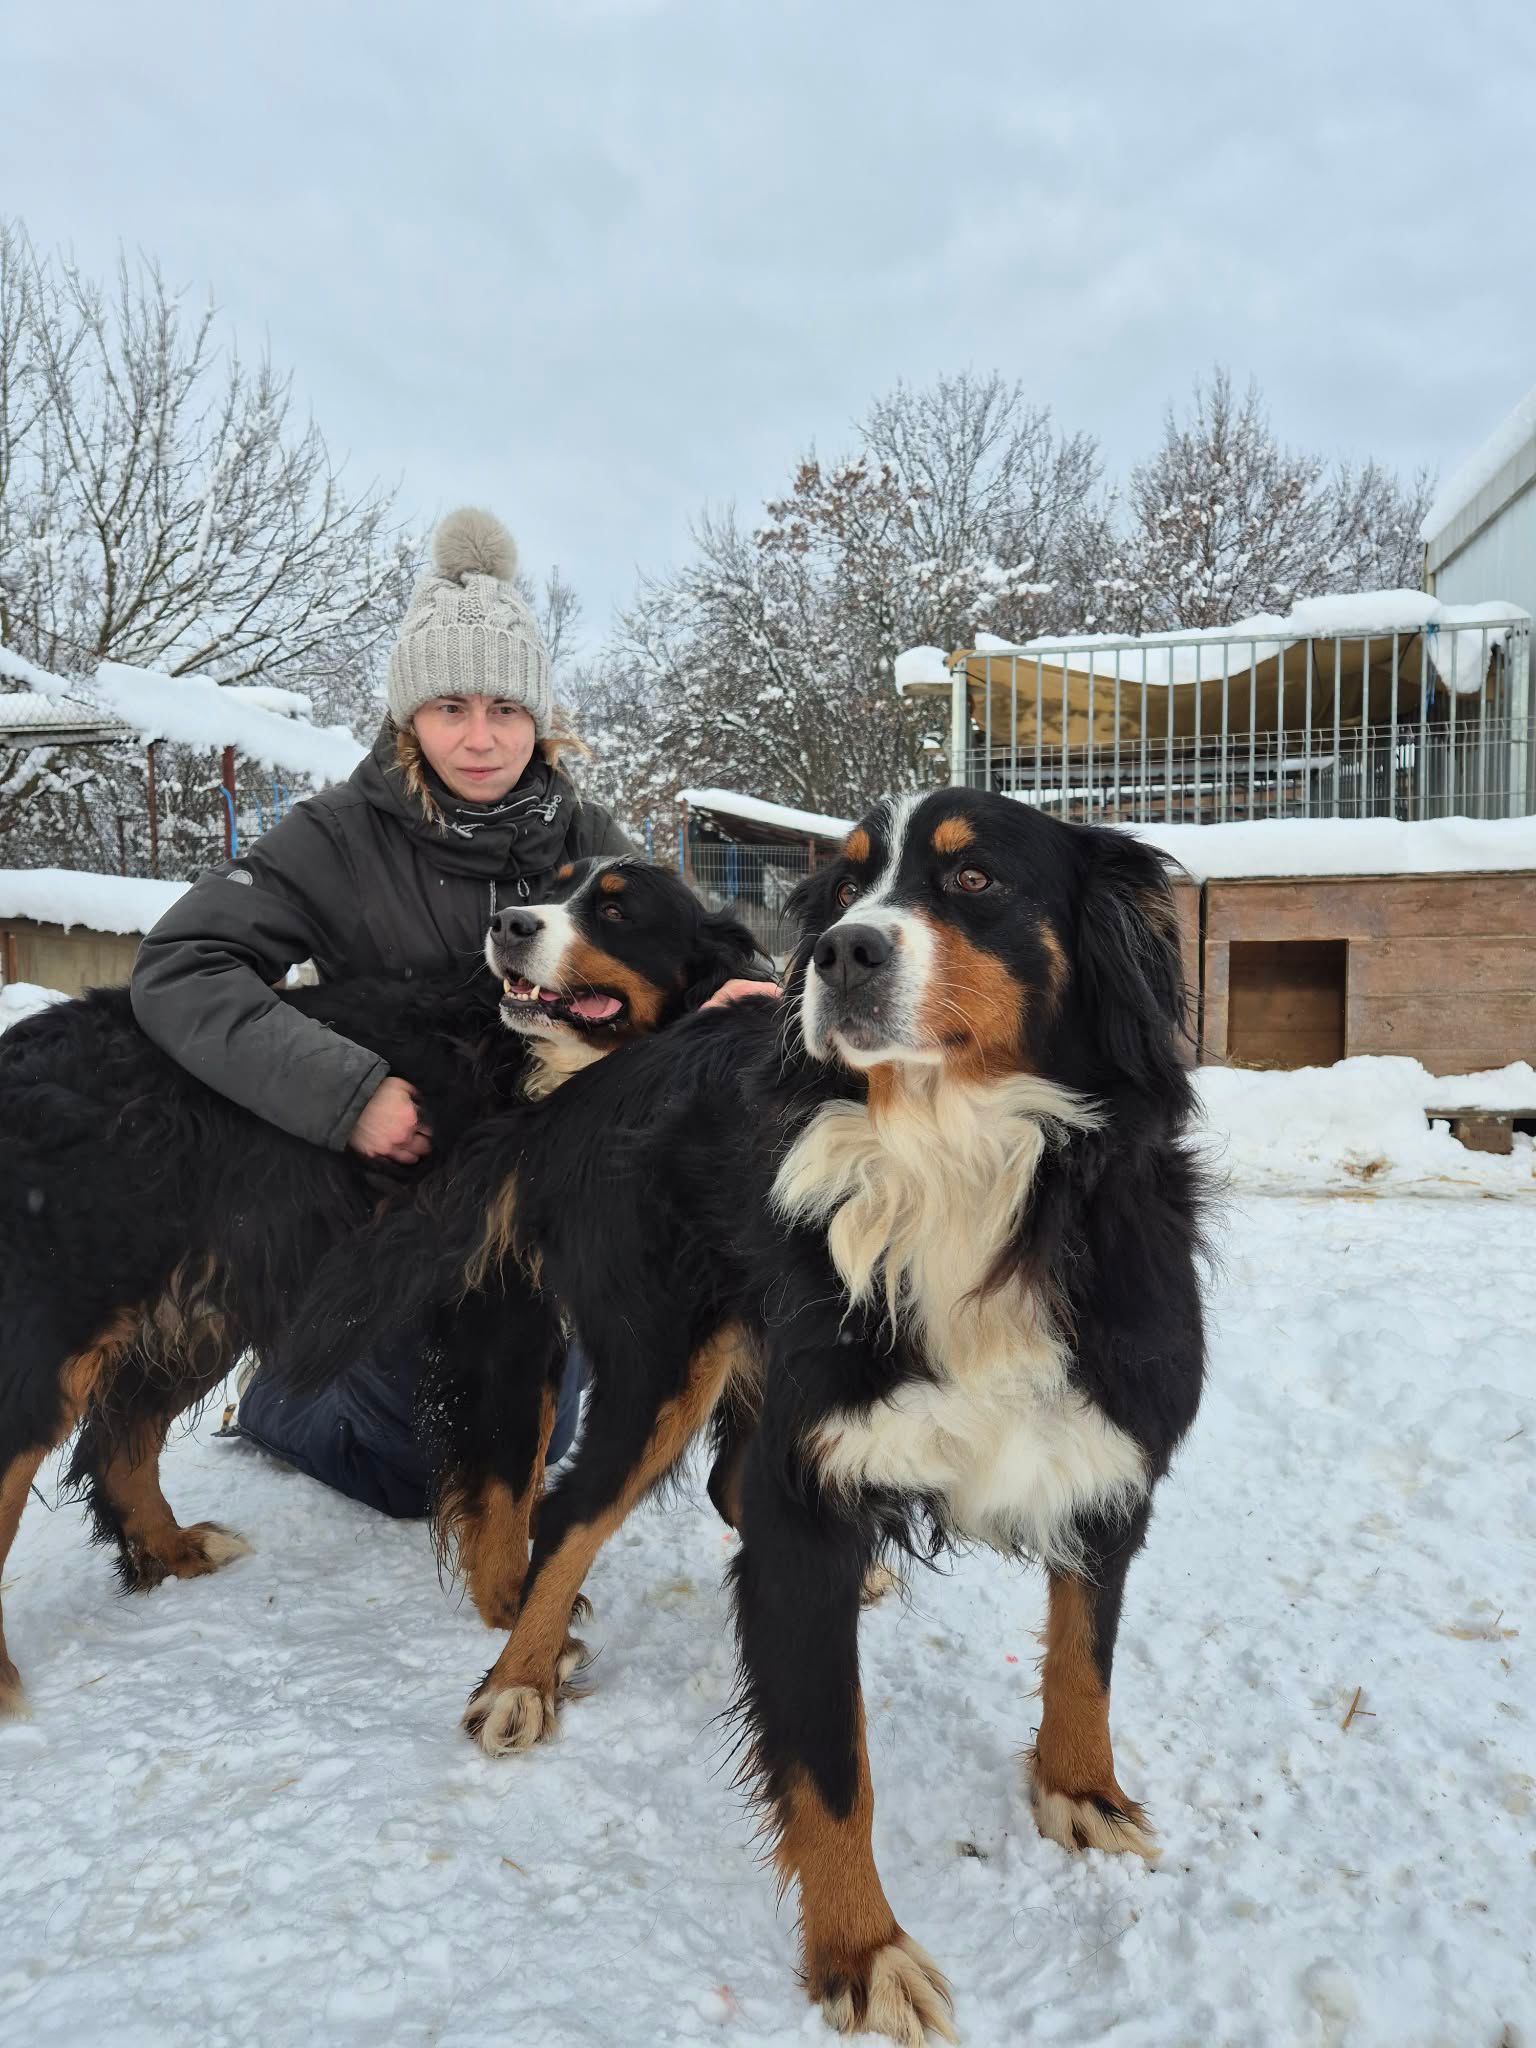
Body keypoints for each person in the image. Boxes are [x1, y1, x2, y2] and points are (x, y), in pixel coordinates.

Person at [131, 507, 637, 1514]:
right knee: (418, 1468)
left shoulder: (587, 837)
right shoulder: (337, 836)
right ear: (411, 715)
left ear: (540, 716)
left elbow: (673, 962)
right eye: (451, 706)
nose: (481, 737)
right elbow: (182, 966)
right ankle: (283, 1395)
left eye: (506, 707)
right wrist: (344, 1092)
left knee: (545, 1427)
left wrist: (734, 989)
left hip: (536, 1198)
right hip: (392, 1196)